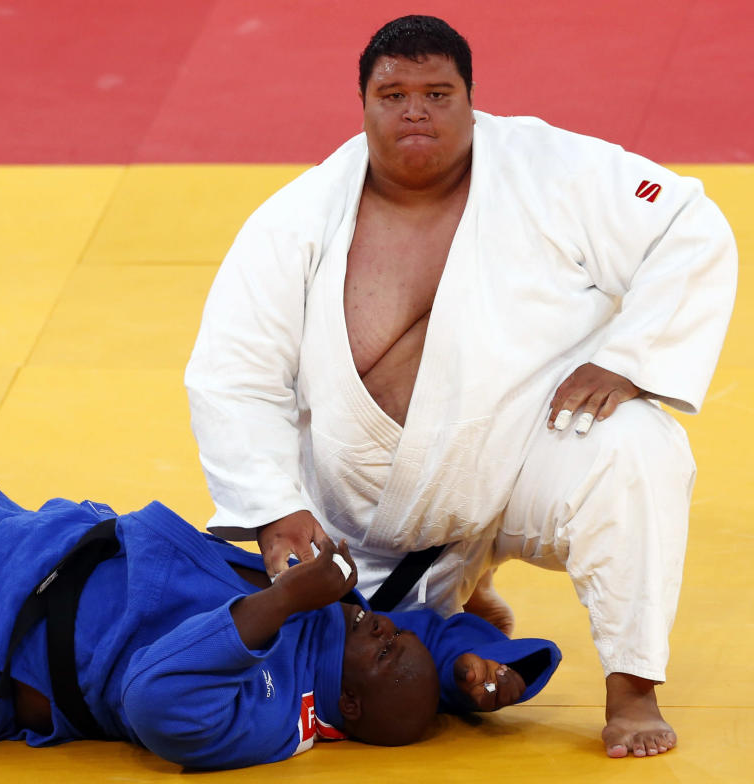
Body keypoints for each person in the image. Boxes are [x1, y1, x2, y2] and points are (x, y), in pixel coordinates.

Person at [185, 14, 737, 760]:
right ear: (364, 106)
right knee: (350, 658)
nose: (416, 110)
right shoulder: (297, 220)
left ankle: (632, 688)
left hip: (522, 458)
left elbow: (685, 222)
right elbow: (233, 370)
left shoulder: (550, 171)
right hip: (370, 518)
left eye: (438, 93)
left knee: (639, 446)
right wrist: (274, 507)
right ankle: (457, 595)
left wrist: (634, 358)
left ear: (472, 101)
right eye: (394, 94)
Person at [0, 398, 559, 769]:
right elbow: (422, 639)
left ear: (347, 708)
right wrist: (472, 670)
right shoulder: (348, 625)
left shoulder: (271, 719)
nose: (384, 628)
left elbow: (155, 702)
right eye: (390, 631)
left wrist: (283, 599)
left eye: (385, 649)